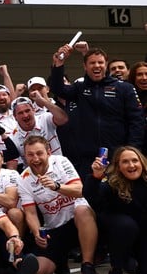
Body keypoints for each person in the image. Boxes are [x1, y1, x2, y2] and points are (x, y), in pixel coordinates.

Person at [18, 135, 100, 274]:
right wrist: (37, 233)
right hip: (55, 228)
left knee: (82, 210)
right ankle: (52, 262)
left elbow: (81, 190)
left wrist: (57, 186)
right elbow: (30, 213)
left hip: (78, 222)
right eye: (30, 155)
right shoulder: (23, 178)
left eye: (39, 153)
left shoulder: (61, 162)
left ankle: (87, 266)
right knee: (39, 272)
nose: (35, 158)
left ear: (48, 152)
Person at [50, 45, 143, 177]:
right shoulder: (79, 88)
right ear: (85, 66)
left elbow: (137, 121)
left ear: (106, 65)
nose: (97, 65)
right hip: (88, 158)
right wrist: (58, 64)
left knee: (122, 195)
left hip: (118, 156)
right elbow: (58, 89)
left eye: (100, 62)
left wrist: (133, 150)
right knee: (91, 195)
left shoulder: (124, 88)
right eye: (92, 63)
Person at [84, 146, 147, 274]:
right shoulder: (111, 184)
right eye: (125, 162)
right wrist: (95, 176)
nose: (131, 165)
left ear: (142, 162)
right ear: (118, 166)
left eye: (134, 160)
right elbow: (92, 199)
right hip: (116, 233)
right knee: (126, 225)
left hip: (142, 236)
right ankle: (116, 270)